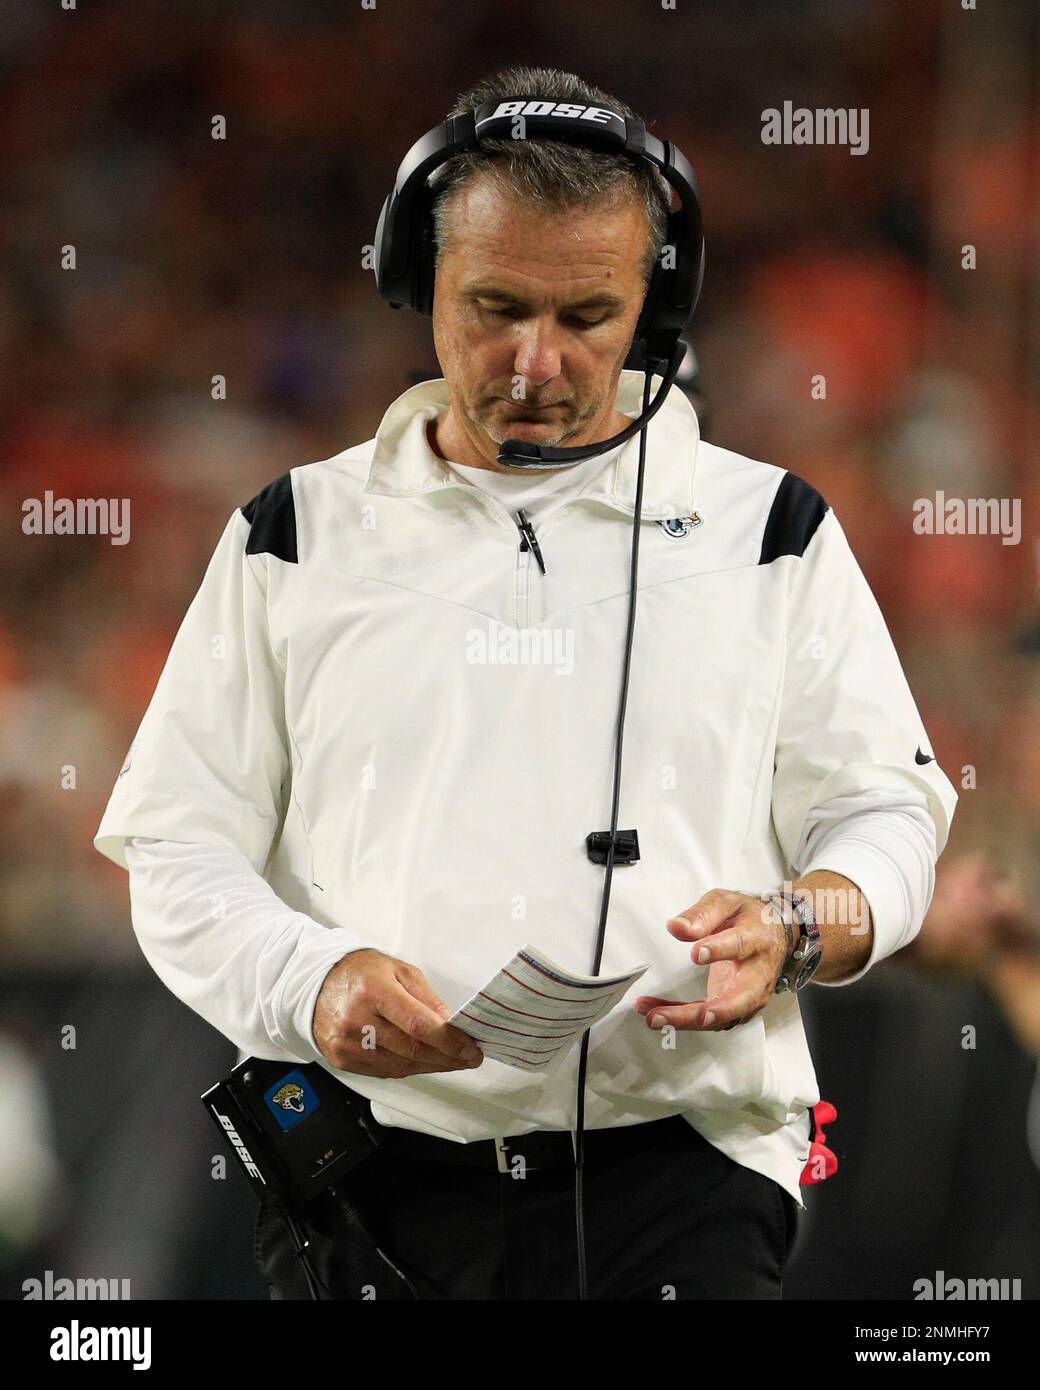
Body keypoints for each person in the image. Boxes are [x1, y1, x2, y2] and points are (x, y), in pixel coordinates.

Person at [94, 66, 959, 1300]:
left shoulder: (769, 530)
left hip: (685, 1183)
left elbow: (885, 816)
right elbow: (178, 848)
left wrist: (802, 923)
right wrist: (309, 979)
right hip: (368, 1182)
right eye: (493, 306)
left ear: (656, 312)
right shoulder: (294, 534)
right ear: (415, 283)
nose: (535, 361)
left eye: (588, 317)